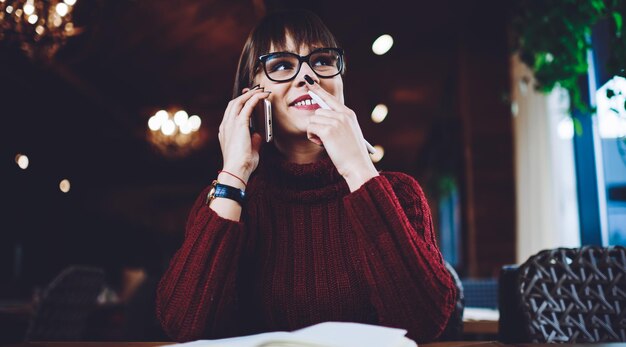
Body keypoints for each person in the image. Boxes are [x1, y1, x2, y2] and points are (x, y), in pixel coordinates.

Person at [156, 9, 457, 343]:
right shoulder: (226, 202)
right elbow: (184, 328)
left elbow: (426, 322)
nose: (307, 76)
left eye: (322, 60)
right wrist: (235, 174)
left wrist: (357, 168)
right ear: (251, 96)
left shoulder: (400, 193)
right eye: (282, 65)